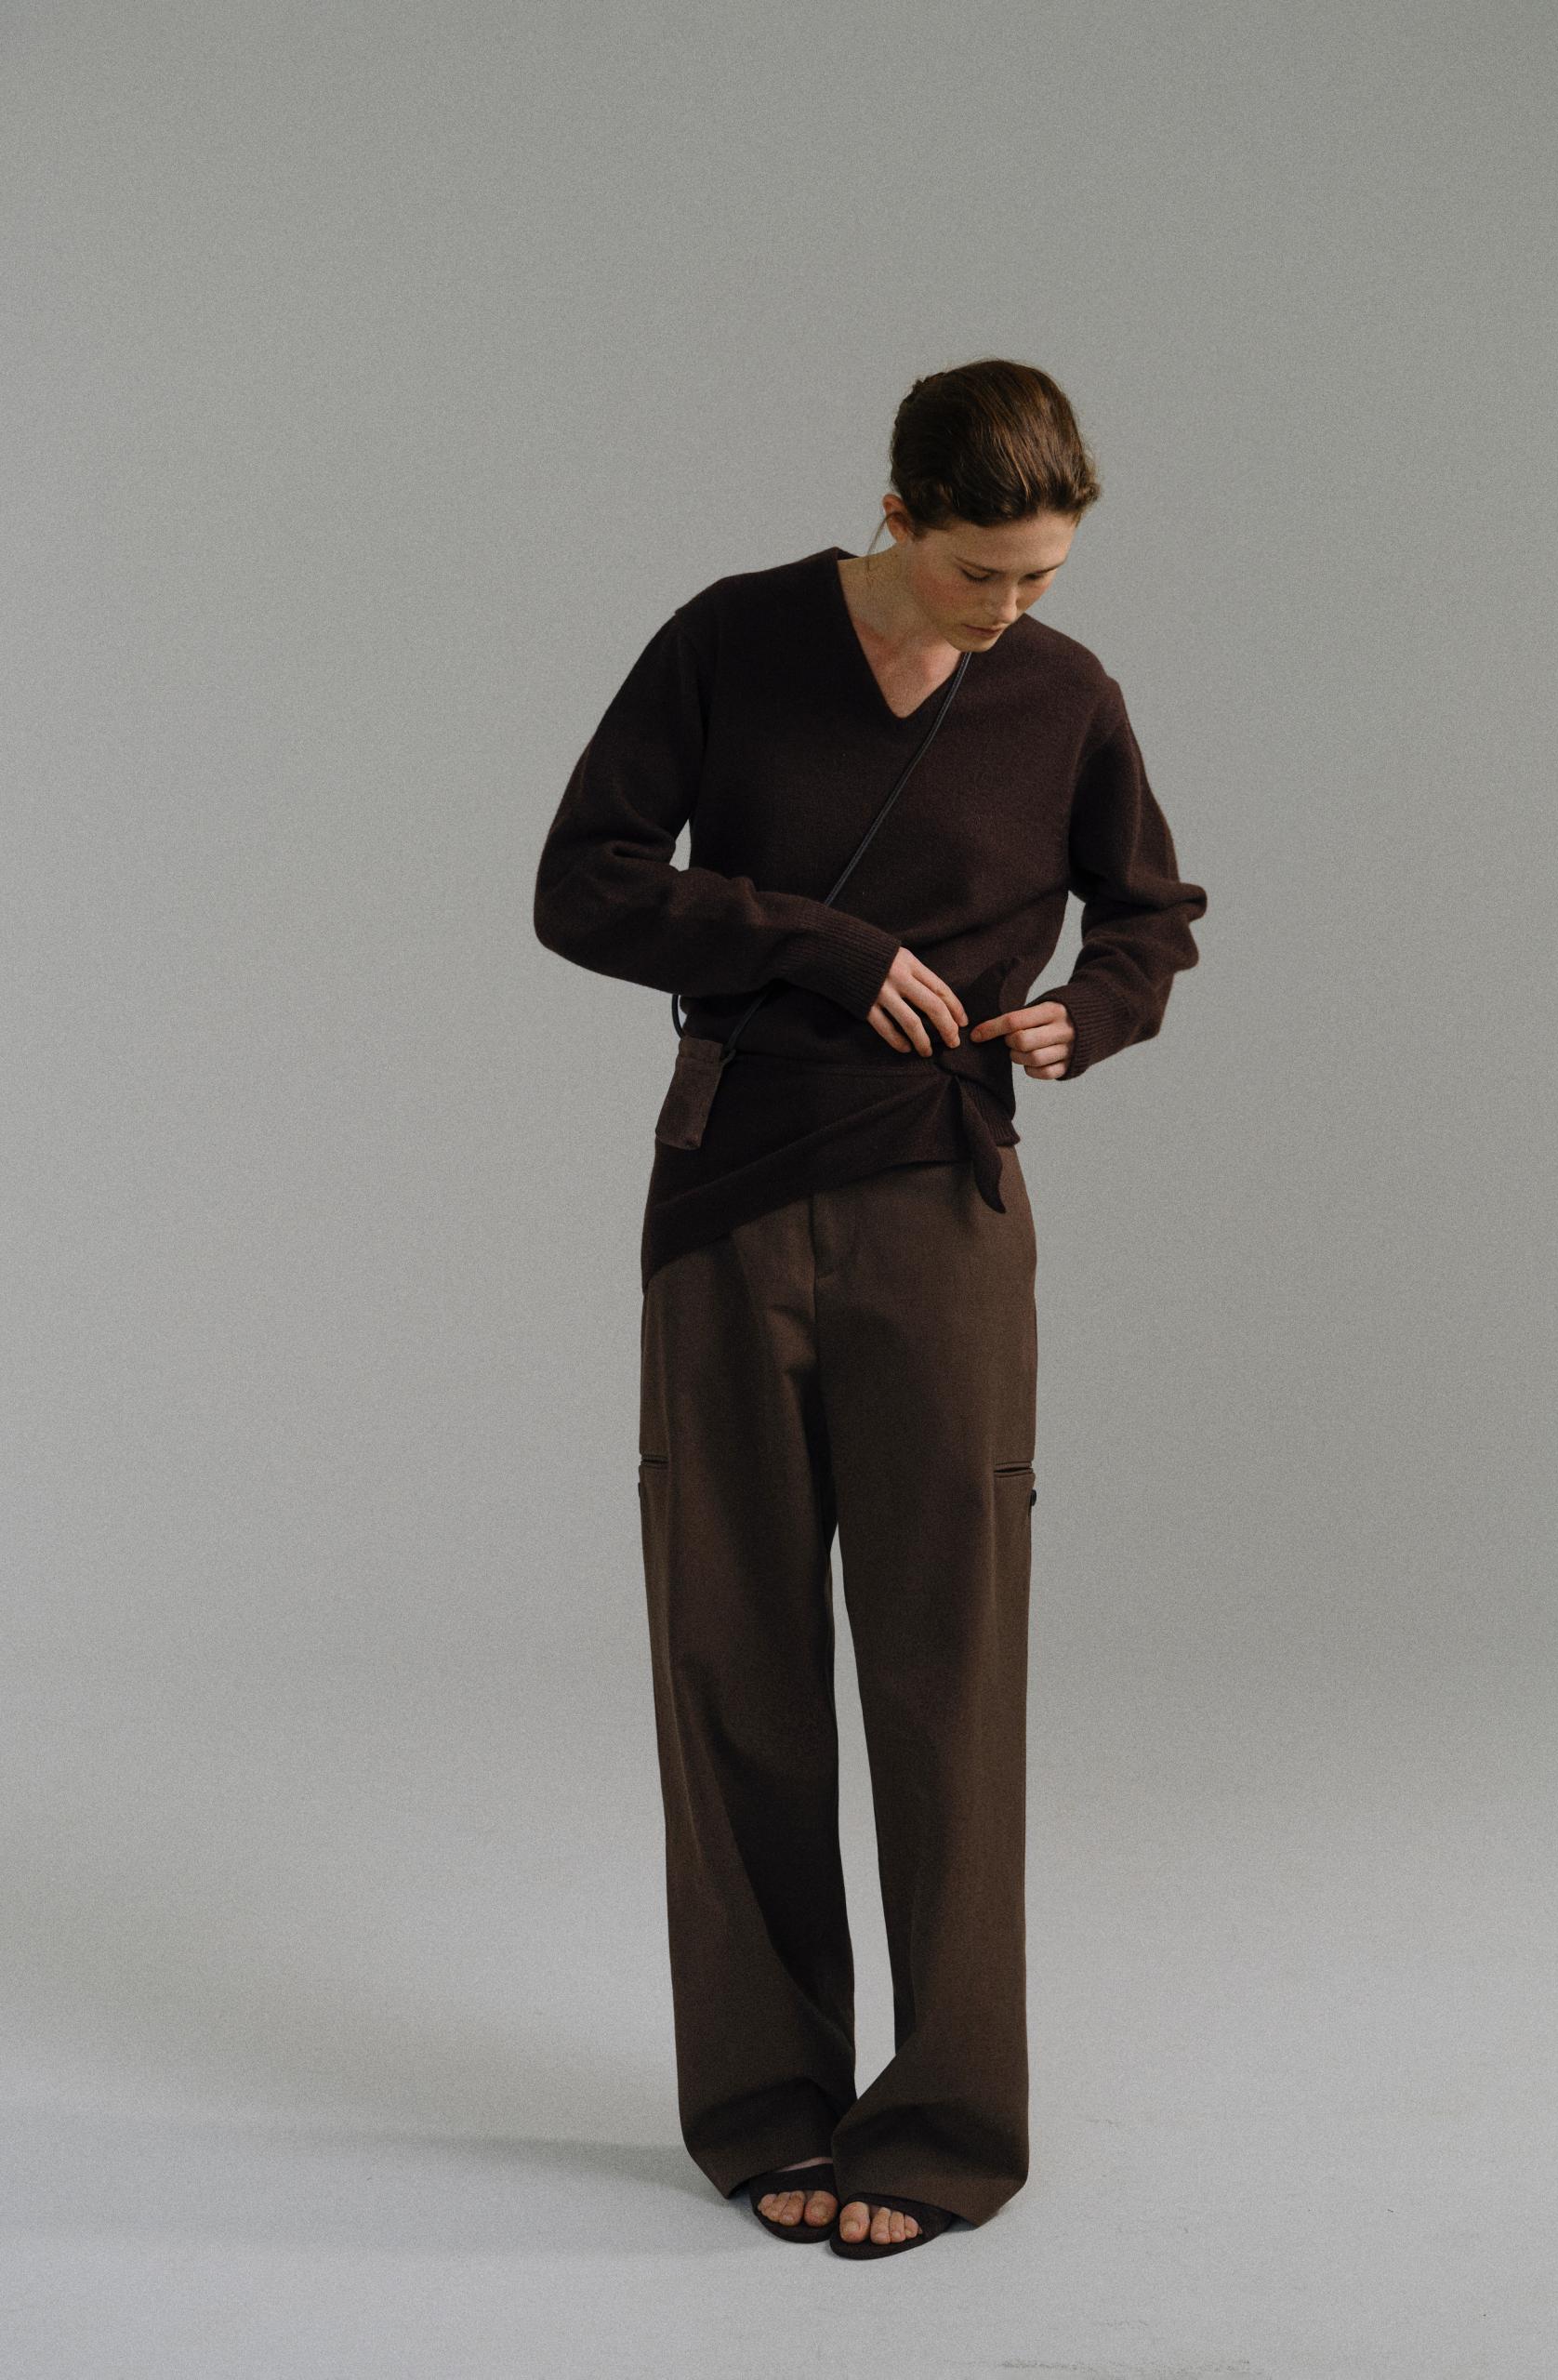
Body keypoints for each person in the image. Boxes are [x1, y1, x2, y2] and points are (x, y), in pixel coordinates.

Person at [534, 358, 1207, 2259]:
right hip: (729, 1199)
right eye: (984, 570)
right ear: (898, 514)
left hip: (944, 1207)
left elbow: (1151, 914)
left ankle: (945, 2123)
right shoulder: (731, 643)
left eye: (1045, 574)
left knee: (947, 1665)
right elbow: (579, 885)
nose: (1014, 608)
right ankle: (765, 2105)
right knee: (730, 1653)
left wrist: (1095, 1012)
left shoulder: (1064, 695)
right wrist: (821, 944)